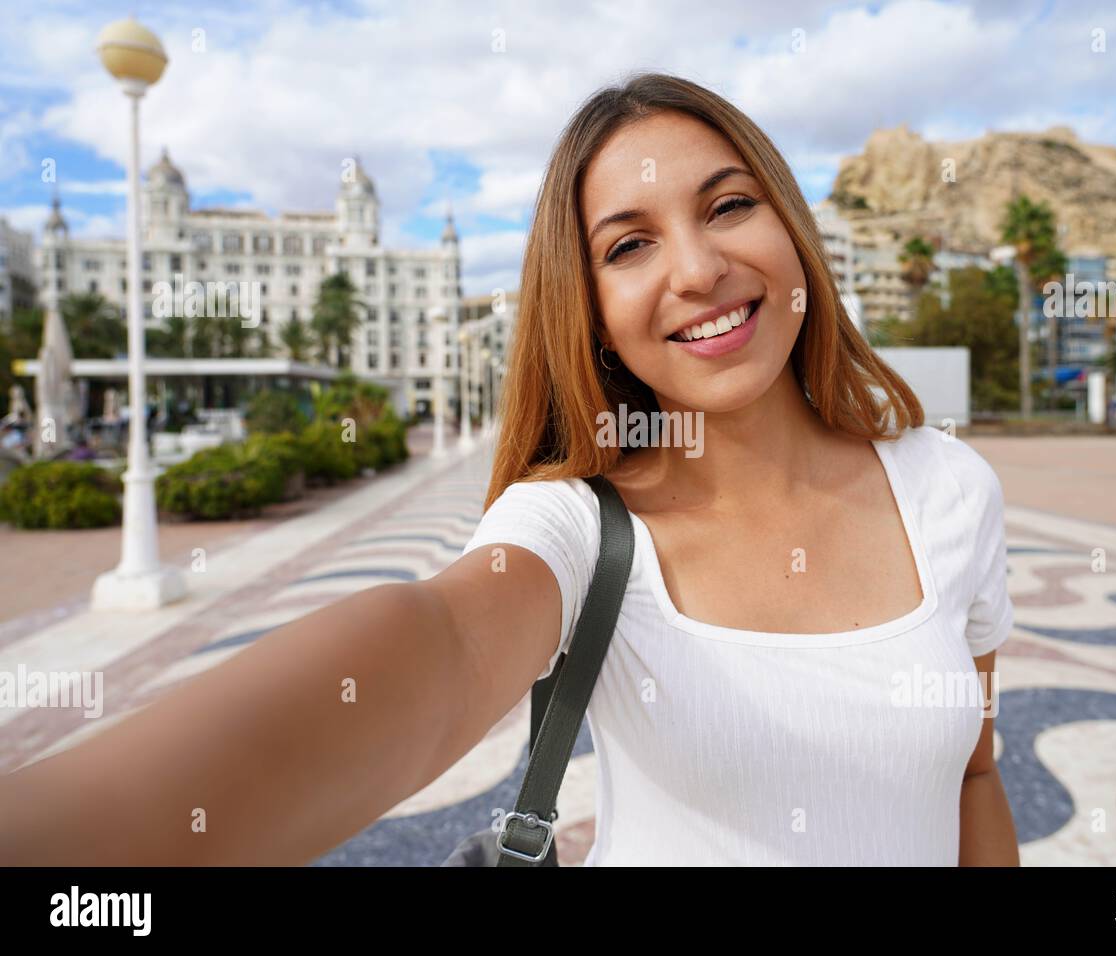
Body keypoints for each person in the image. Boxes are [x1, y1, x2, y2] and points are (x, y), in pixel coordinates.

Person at [0, 72, 1018, 867]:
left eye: (728, 205)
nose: (697, 269)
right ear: (594, 313)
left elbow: (974, 773)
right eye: (628, 246)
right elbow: (437, 642)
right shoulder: (577, 523)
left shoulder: (949, 490)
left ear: (791, 222)